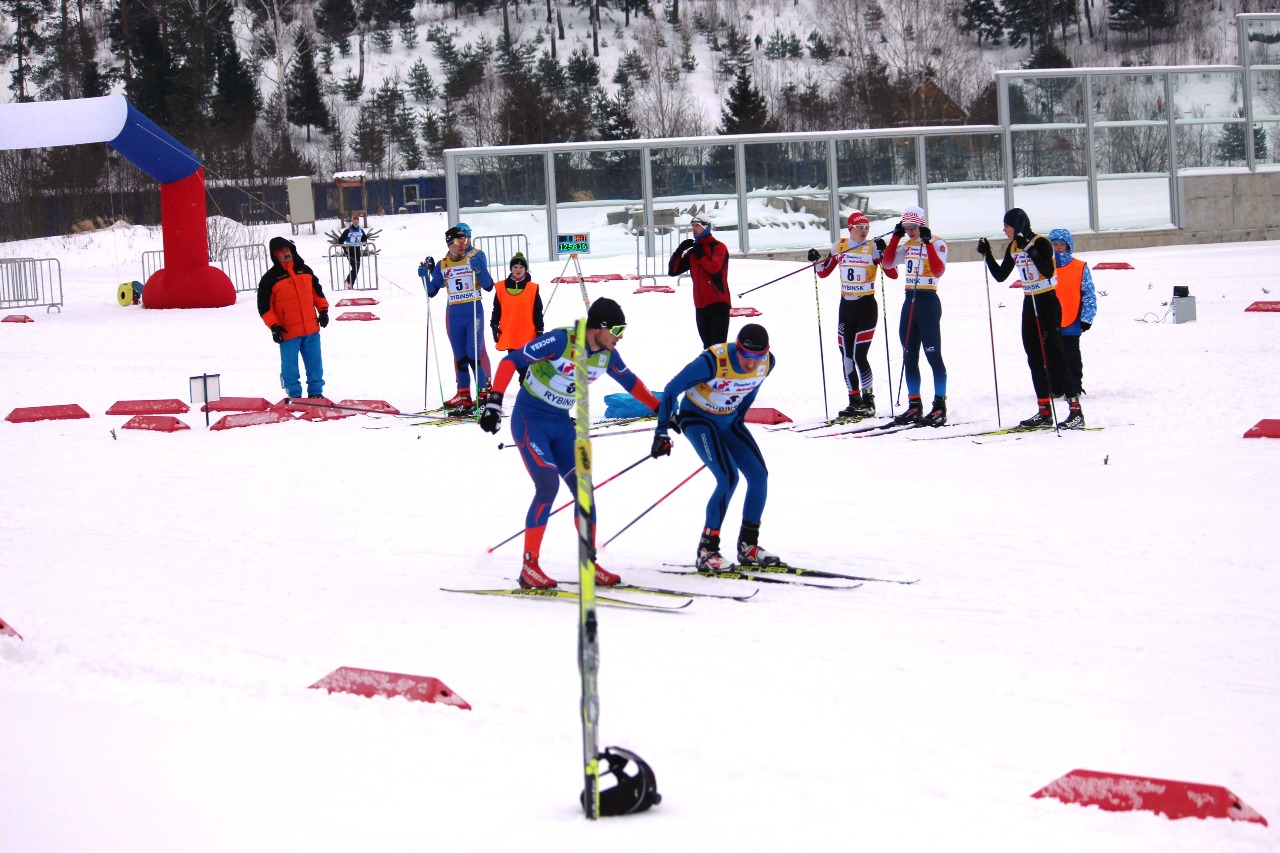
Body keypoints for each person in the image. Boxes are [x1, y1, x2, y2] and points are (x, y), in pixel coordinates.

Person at [478, 297, 662, 590]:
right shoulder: (561, 340)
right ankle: (529, 567)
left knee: (584, 491)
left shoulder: (607, 356)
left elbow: (631, 384)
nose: (620, 336)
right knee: (547, 485)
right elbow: (510, 361)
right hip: (530, 421)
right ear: (598, 328)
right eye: (617, 328)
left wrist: (661, 410)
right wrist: (494, 403)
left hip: (562, 426)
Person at [652, 323, 778, 571]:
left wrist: (738, 417)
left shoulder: (768, 363)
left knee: (759, 475)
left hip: (729, 420)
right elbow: (671, 389)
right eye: (746, 354)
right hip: (697, 420)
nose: (751, 363)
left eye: (757, 356)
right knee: (728, 478)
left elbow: (751, 389)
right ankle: (707, 550)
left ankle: (748, 546)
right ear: (737, 347)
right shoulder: (713, 361)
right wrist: (662, 430)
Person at [977, 209, 1084, 429]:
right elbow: (1001, 275)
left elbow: (1048, 269)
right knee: (1033, 356)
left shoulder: (1041, 242)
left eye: (1007, 226)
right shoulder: (1013, 246)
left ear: (1018, 224)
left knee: (1055, 356)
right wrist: (987, 254)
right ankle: (1044, 411)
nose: (1004, 230)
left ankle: (1075, 411)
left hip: (1047, 302)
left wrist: (1029, 248)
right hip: (1029, 301)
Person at [809, 210, 897, 418]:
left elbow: (892, 274)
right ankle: (854, 400)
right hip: (846, 308)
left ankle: (869, 400)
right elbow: (823, 272)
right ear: (850, 229)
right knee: (846, 356)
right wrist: (815, 260)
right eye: (860, 228)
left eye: (867, 228)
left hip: (866, 307)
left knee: (860, 355)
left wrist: (884, 254)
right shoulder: (839, 246)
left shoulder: (873, 247)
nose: (864, 231)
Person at [880, 205, 949, 426]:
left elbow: (938, 270)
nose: (910, 232)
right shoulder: (907, 244)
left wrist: (927, 243)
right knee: (909, 356)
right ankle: (914, 404)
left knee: (933, 355)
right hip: (909, 301)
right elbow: (888, 263)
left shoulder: (937, 242)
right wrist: (894, 238)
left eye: (913, 228)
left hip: (928, 301)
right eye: (906, 228)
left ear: (922, 225)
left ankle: (939, 405)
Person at [423, 222, 495, 410]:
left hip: (473, 312)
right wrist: (425, 277)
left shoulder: (476, 256)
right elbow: (432, 291)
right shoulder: (442, 264)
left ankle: (482, 398)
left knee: (473, 355)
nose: (462, 243)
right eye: (457, 240)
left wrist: (478, 270)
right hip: (454, 315)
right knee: (460, 357)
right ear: (449, 243)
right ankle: (464, 398)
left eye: (464, 239)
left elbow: (488, 286)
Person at [257, 236, 329, 399]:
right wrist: (274, 327)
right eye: (281, 251)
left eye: (287, 250)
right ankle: (294, 394)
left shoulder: (305, 270)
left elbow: (317, 292)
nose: (286, 253)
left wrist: (323, 311)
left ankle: (316, 392)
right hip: (287, 331)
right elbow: (264, 306)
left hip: (311, 328)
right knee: (290, 367)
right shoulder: (269, 279)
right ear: (275, 256)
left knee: (315, 363)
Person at [668, 213, 731, 348]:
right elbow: (673, 271)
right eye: (692, 225)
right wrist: (679, 251)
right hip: (700, 305)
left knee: (718, 348)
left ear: (706, 227)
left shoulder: (719, 247)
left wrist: (701, 255)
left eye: (697, 225)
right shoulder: (694, 251)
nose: (694, 228)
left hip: (718, 304)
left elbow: (714, 269)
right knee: (708, 347)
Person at [1048, 228, 1096, 396]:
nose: (1058, 247)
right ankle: (1055, 387)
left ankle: (1075, 386)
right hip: (1051, 320)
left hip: (1073, 317)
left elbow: (1088, 293)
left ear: (1068, 245)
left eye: (1062, 244)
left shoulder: (1080, 267)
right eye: (1055, 244)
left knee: (1072, 356)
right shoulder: (1046, 266)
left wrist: (1087, 317)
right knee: (1052, 356)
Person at [490, 252, 544, 381]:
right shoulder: (501, 287)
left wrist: (540, 330)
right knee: (516, 362)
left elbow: (538, 311)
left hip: (527, 333)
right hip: (510, 334)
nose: (518, 270)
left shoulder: (532, 288)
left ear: (525, 269)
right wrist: (494, 324)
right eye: (515, 267)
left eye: (521, 267)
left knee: (526, 364)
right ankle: (525, 385)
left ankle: (525, 386)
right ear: (510, 269)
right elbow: (496, 309)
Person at [337, 215, 367, 288]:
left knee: (357, 267)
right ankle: (349, 281)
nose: (356, 222)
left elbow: (364, 238)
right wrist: (344, 248)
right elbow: (340, 240)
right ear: (352, 222)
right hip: (350, 250)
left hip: (357, 250)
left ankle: (350, 283)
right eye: (354, 221)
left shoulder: (360, 230)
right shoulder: (348, 230)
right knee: (354, 267)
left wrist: (364, 242)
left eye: (357, 221)